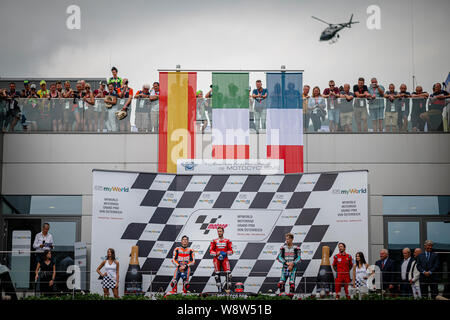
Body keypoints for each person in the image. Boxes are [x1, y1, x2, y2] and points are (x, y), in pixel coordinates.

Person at [210, 227, 233, 292]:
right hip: (216, 259)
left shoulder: (227, 240)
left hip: (225, 259)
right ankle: (219, 291)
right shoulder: (214, 240)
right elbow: (211, 251)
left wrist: (224, 253)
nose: (219, 233)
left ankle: (227, 290)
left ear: (223, 232)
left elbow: (231, 251)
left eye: (220, 231)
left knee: (229, 274)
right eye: (218, 231)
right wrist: (217, 253)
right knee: (217, 275)